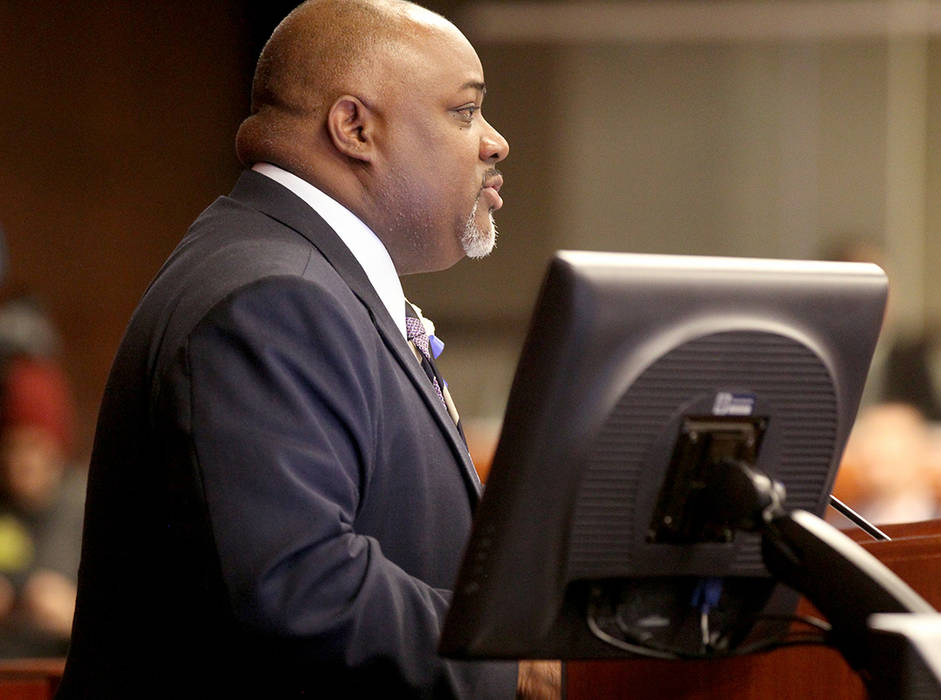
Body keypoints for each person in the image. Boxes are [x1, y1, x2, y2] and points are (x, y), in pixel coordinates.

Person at [57, 1, 556, 696]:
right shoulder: (272, 299)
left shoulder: (294, 275)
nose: (495, 141)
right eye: (464, 111)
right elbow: (298, 585)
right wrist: (511, 663)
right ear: (356, 127)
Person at [0, 356, 84, 657]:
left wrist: (73, 612)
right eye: (12, 446)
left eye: (33, 446)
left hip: (67, 668)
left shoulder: (85, 504)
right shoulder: (4, 507)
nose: (22, 461)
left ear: (57, 446)